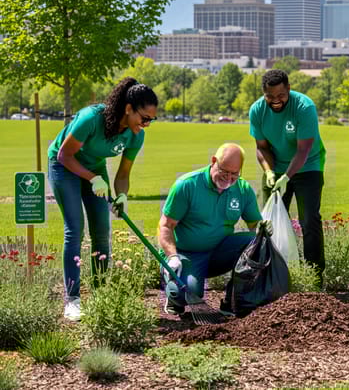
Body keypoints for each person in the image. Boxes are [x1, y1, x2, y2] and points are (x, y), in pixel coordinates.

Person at [47, 77, 158, 321]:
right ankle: (73, 300)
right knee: (74, 229)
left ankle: (100, 296)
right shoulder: (91, 118)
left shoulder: (135, 135)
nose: (147, 124)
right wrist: (93, 179)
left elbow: (123, 174)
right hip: (64, 166)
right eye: (145, 118)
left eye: (152, 119)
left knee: (101, 231)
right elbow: (65, 155)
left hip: (95, 170)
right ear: (128, 109)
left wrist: (121, 195)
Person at [158, 143, 264, 316]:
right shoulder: (187, 185)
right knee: (188, 293)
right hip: (186, 254)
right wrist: (172, 256)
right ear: (214, 161)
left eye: (234, 174)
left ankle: (232, 301)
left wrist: (264, 228)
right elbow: (166, 225)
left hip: (219, 252)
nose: (229, 178)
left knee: (256, 241)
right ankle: (173, 289)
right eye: (224, 171)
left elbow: (255, 224)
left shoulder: (243, 189)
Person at [250, 69, 327, 277]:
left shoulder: (304, 107)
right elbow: (262, 147)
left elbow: (303, 150)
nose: (276, 101)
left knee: (309, 219)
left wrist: (287, 176)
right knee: (269, 223)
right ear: (263, 93)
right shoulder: (257, 111)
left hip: (308, 166)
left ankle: (314, 275)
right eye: (270, 96)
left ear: (289, 90)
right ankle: (271, 275)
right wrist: (269, 172)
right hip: (275, 168)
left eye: (281, 95)